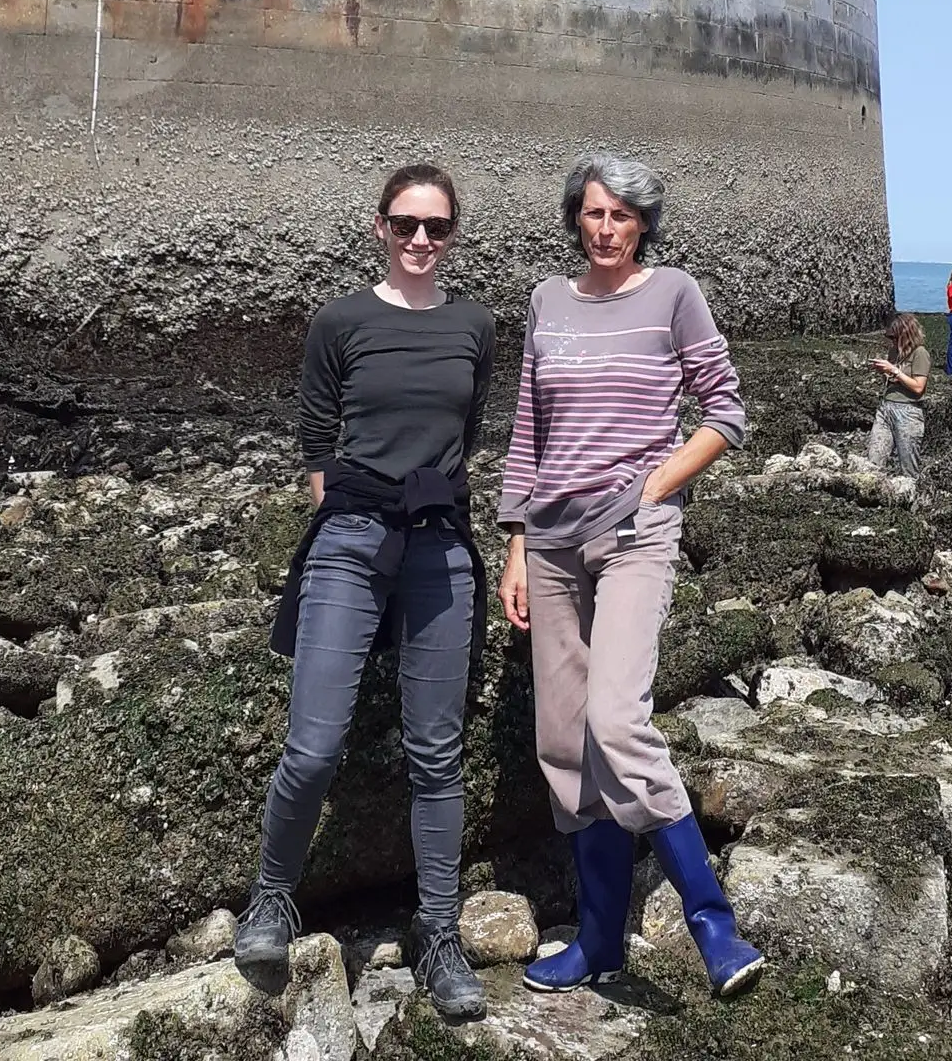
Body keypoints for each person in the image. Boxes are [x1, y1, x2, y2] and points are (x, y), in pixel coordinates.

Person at [496, 153, 765, 1001]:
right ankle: (598, 940)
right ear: (575, 217)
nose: (605, 228)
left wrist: (655, 486)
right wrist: (513, 542)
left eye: (621, 215)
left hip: (634, 535)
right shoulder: (547, 299)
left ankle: (711, 923)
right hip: (548, 542)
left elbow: (726, 410)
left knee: (617, 719)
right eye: (592, 213)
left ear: (644, 222)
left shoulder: (673, 293)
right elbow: (528, 424)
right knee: (564, 745)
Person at [235, 164, 495, 1019]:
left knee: (436, 755)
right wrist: (345, 521)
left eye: (437, 228)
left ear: (454, 234)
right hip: (349, 540)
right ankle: (271, 894)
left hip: (441, 552)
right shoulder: (339, 321)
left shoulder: (474, 325)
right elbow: (316, 437)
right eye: (406, 224)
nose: (422, 241)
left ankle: (440, 933)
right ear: (379, 227)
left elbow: (470, 431)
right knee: (313, 745)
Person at [869, 313, 930, 474]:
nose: (893, 341)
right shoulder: (893, 351)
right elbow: (894, 380)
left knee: (908, 466)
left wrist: (894, 371)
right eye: (890, 337)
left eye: (895, 337)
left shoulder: (920, 353)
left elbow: (918, 387)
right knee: (874, 460)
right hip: (885, 407)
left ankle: (912, 495)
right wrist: (884, 372)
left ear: (906, 335)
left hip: (908, 411)